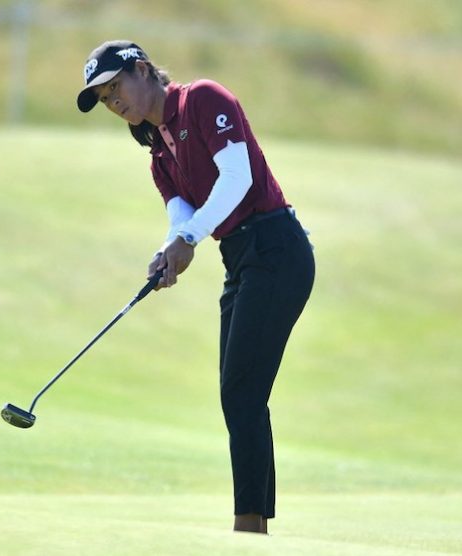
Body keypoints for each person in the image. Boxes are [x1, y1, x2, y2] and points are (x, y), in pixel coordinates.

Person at [76, 40, 315, 534]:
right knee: (237, 393)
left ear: (143, 70)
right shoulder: (158, 155)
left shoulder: (204, 99)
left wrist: (187, 239)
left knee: (242, 390)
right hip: (242, 260)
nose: (112, 101)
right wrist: (168, 250)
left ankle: (249, 526)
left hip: (277, 250)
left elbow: (237, 178)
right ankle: (253, 524)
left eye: (114, 87)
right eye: (103, 98)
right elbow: (180, 214)